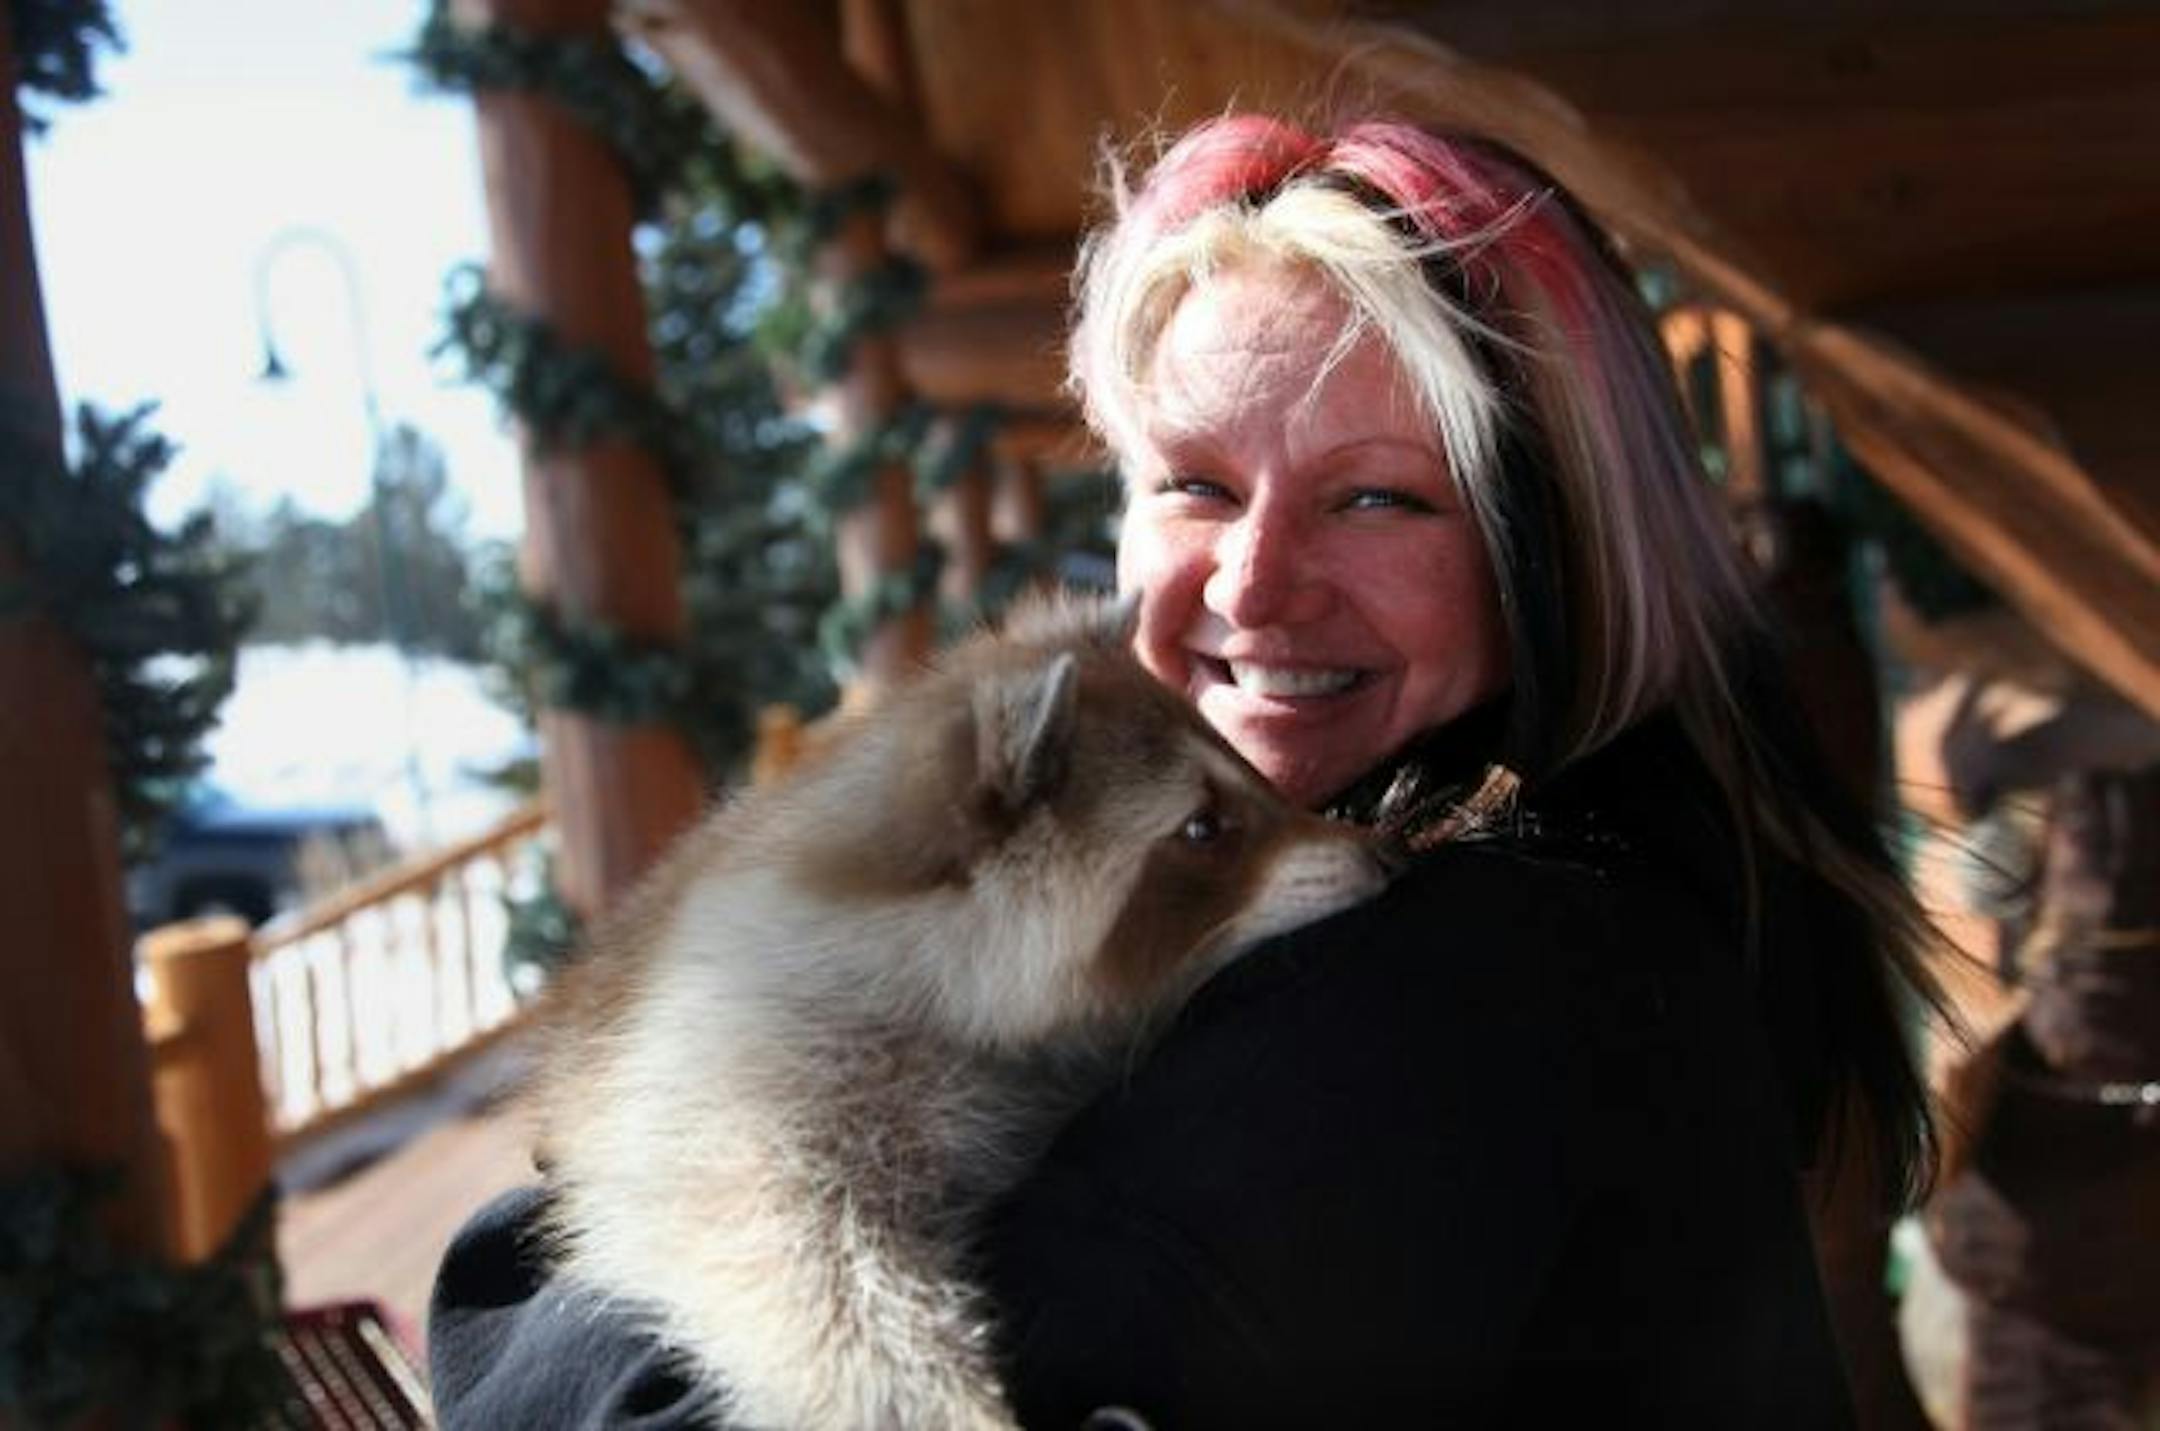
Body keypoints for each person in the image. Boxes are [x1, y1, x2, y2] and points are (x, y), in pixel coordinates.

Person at [428, 116, 1940, 1428]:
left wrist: (530, 1276)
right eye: (1196, 486)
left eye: (1376, 498)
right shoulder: (1613, 893)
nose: (1258, 586)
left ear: (1546, 554)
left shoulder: (1469, 992)